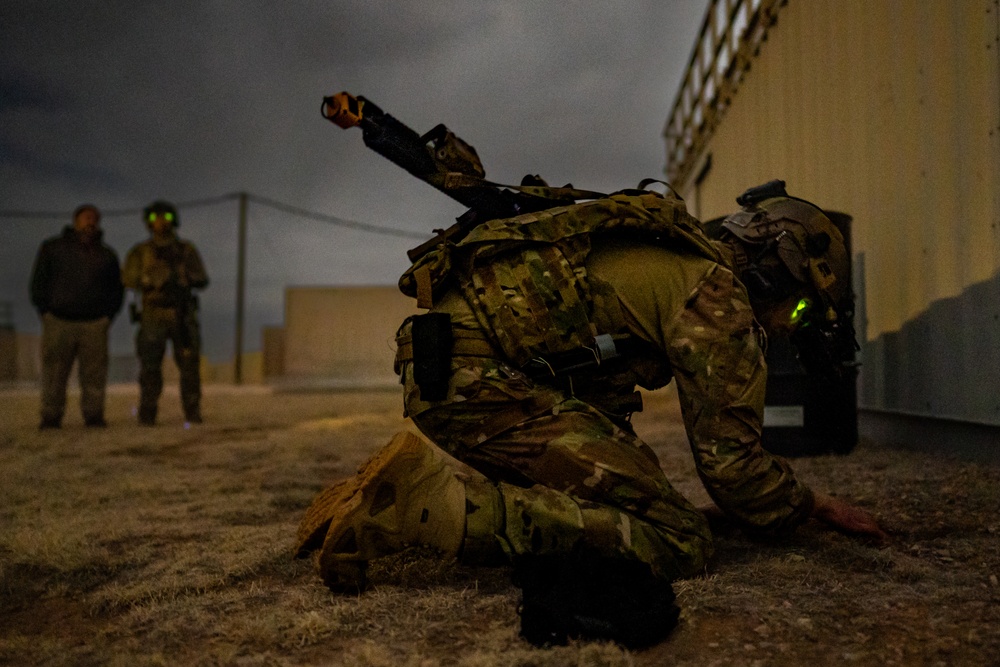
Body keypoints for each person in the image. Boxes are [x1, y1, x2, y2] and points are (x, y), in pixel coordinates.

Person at [297, 180, 887, 648]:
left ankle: (362, 498)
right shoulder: (718, 297)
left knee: (646, 510)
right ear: (776, 269)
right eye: (802, 305)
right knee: (682, 542)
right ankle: (421, 510)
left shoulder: (670, 254)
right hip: (477, 381)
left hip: (450, 368)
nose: (791, 325)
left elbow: (592, 394)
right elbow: (734, 471)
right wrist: (812, 505)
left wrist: (647, 498)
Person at [30, 204, 123, 429]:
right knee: (54, 373)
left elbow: (116, 290)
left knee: (94, 375)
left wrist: (106, 318)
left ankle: (93, 416)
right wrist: (46, 312)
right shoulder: (53, 248)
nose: (90, 222)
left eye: (94, 218)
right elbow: (39, 282)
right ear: (75, 221)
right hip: (59, 321)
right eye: (85, 218)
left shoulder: (107, 255)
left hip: (94, 324)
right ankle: (51, 416)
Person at [122, 201, 209, 425]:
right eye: (154, 218)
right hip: (153, 313)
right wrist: (149, 280)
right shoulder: (140, 252)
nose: (160, 222)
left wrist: (182, 278)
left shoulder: (186, 250)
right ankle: (148, 411)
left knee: (189, 366)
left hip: (182, 313)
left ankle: (192, 410)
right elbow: (128, 279)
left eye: (166, 217)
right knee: (150, 366)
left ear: (173, 220)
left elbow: (202, 278)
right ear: (148, 222)